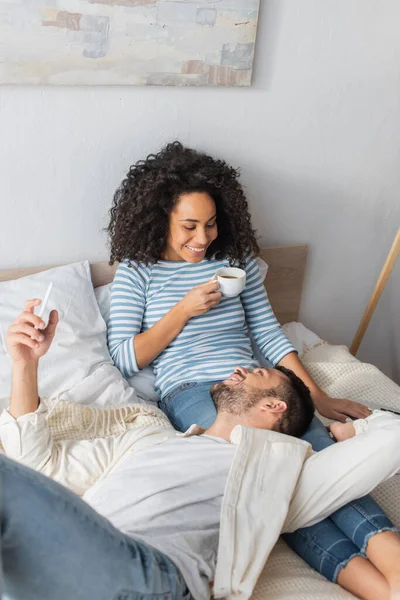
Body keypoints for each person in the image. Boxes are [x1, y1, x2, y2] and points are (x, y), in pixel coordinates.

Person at [107, 141, 399, 596]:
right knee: (269, 476)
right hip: (193, 391)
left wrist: (313, 394)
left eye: (210, 224)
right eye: (189, 226)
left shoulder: (234, 262)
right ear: (158, 217)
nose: (202, 238)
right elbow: (125, 357)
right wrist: (181, 311)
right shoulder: (137, 273)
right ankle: (379, 589)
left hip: (256, 381)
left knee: (322, 455)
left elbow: (268, 333)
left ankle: (394, 566)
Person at [2, 302, 400, 600]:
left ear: (273, 407)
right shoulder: (146, 438)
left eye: (256, 372)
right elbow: (36, 464)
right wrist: (25, 366)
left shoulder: (276, 469)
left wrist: (350, 429)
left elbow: (392, 439)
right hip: (66, 569)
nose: (239, 369)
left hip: (148, 576)